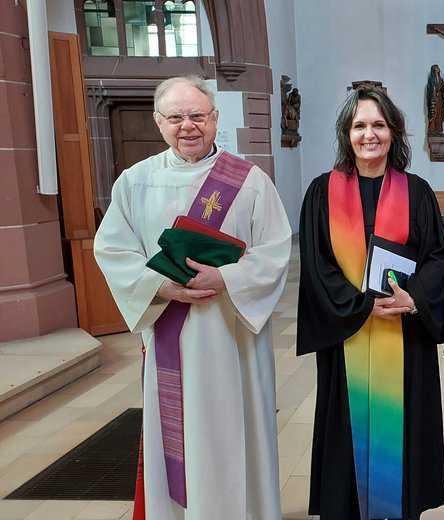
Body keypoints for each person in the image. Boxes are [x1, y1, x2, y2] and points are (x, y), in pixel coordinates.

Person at [94, 75, 291, 519]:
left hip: (230, 336)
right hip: (168, 332)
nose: (188, 126)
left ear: (215, 118)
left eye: (198, 115)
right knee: (176, 433)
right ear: (158, 122)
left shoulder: (249, 181)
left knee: (232, 430)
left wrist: (228, 278)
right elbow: (113, 249)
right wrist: (159, 285)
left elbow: (275, 251)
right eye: (176, 117)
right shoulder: (136, 181)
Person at [297, 86, 444, 520]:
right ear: (347, 134)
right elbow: (317, 263)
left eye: (378, 125)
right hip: (346, 335)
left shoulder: (416, 191)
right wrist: (361, 305)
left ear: (393, 132)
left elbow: (437, 257)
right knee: (346, 433)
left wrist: (414, 298)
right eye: (360, 125)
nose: (369, 134)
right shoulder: (322, 192)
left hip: (404, 337)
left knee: (402, 434)